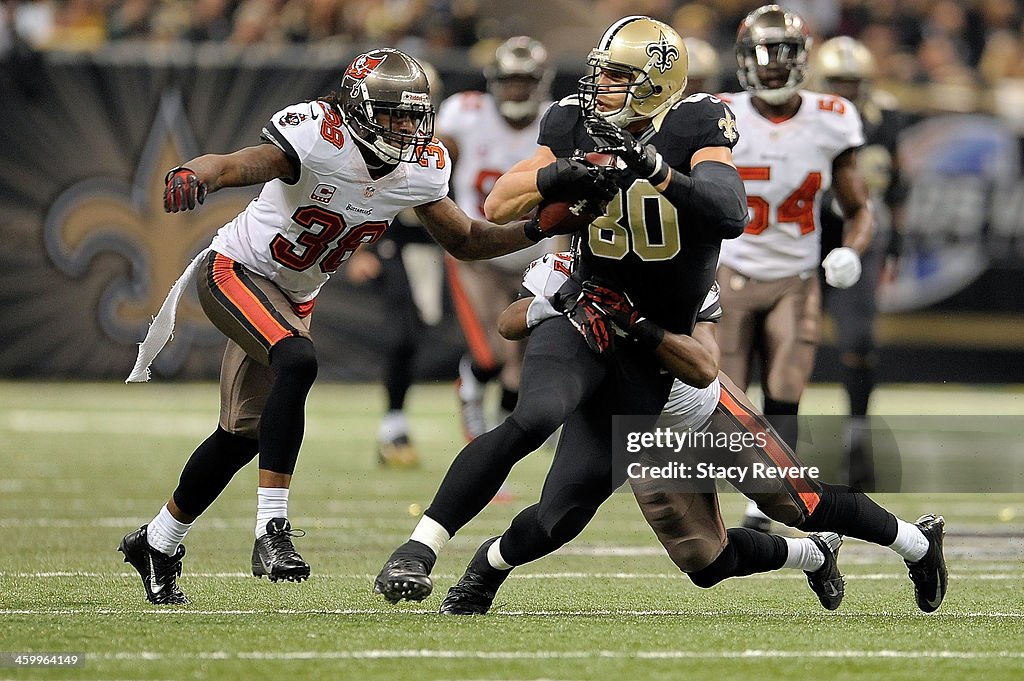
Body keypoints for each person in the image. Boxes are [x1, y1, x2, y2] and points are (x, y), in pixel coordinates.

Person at [118, 48, 561, 605]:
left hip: (292, 297)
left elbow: (467, 241)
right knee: (297, 360)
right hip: (233, 270)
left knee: (241, 436)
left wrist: (540, 225)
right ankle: (271, 529)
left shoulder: (420, 167)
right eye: (391, 113)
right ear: (354, 108)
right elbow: (237, 164)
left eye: (412, 115)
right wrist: (195, 171)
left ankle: (158, 541)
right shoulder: (316, 134)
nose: (404, 127)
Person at [373, 15, 749, 612]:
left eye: (621, 76)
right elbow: (497, 203)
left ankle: (488, 565)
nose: (604, 87)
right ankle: (419, 547)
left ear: (657, 80)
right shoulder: (574, 120)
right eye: (604, 74)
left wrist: (654, 168)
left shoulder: (697, 121)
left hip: (649, 343)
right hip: (587, 308)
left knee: (562, 514)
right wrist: (560, 175)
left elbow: (730, 212)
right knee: (534, 416)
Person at [494, 251, 946, 613]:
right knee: (704, 561)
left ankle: (917, 544)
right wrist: (557, 303)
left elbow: (706, 365)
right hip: (642, 434)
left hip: (702, 410)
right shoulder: (562, 271)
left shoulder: (680, 271)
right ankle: (814, 556)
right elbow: (508, 323)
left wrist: (638, 324)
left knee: (801, 502)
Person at [712, 6, 874, 533]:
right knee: (726, 396)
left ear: (804, 58)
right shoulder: (717, 114)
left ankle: (767, 500)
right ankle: (742, 488)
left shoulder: (832, 116)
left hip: (796, 276)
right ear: (742, 61)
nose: (772, 64)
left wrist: (852, 247)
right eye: (761, 53)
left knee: (785, 390)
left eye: (783, 51)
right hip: (731, 270)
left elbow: (860, 208)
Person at [436, 35, 557, 442]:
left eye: (525, 80)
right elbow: (430, 160)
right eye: (511, 80)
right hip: (479, 250)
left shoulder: (557, 120)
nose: (517, 89)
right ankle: (471, 387)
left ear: (540, 81)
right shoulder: (465, 114)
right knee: (493, 352)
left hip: (534, 251)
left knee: (521, 355)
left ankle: (500, 435)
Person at [815, 36, 909, 490]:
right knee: (779, 334)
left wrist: (895, 241)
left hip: (862, 234)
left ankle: (856, 434)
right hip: (806, 233)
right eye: (837, 81)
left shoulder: (884, 117)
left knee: (857, 339)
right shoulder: (802, 113)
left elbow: (897, 182)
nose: (845, 90)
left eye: (852, 81)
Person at [343, 60, 447, 469]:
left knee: (426, 336)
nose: (407, 121)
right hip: (394, 245)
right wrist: (361, 248)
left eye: (418, 107)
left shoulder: (444, 142)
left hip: (437, 250)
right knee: (402, 335)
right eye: (399, 109)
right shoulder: (369, 138)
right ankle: (393, 426)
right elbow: (356, 193)